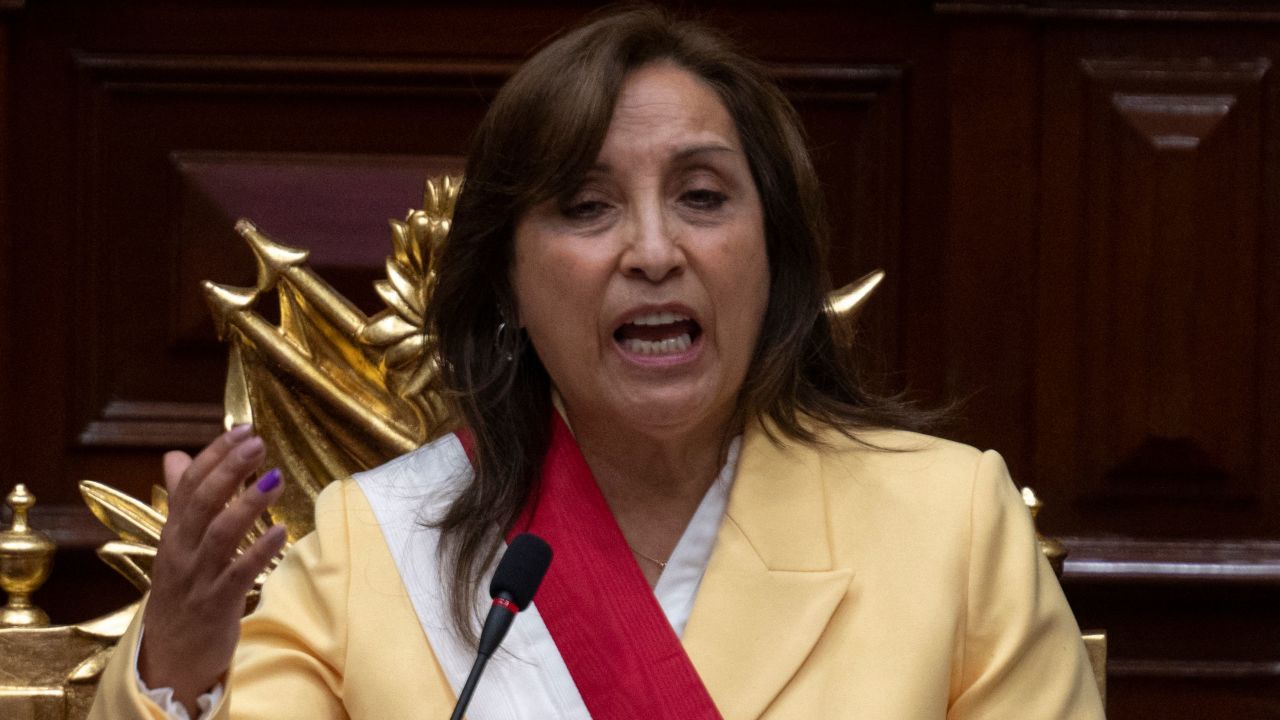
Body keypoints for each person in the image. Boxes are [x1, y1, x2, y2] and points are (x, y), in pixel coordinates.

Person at [90, 7, 1105, 719]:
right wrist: (177, 662)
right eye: (585, 207)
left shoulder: (946, 523)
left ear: (773, 253)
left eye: (703, 196)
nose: (654, 250)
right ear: (510, 285)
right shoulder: (374, 547)